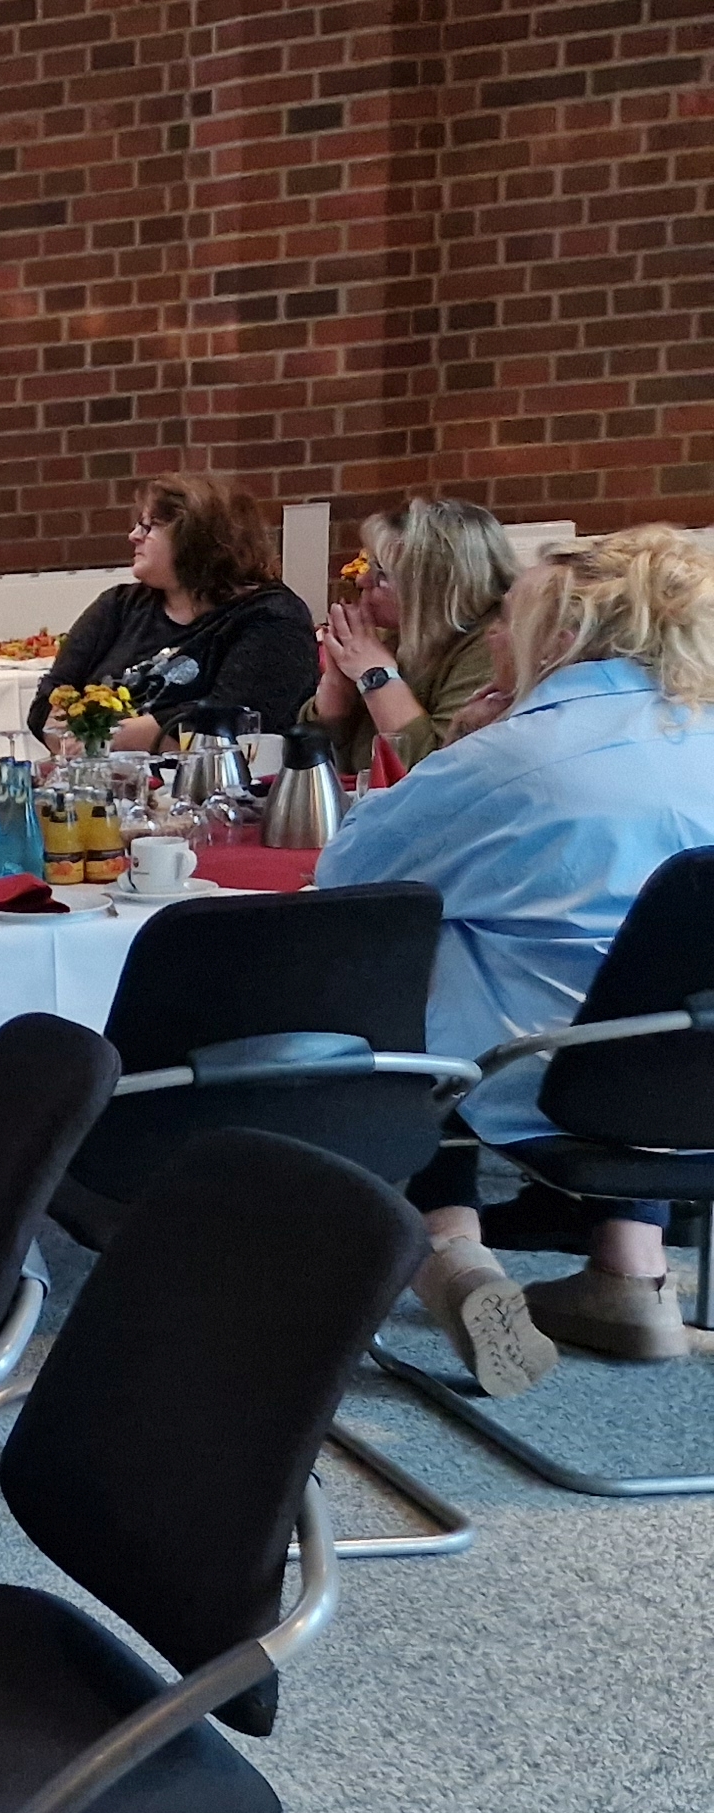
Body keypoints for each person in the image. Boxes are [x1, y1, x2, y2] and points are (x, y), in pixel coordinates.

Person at [318, 525, 714, 1385]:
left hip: (545, 1069)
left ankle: (455, 1251)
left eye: (509, 617)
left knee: (427, 953)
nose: (495, 634)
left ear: (563, 635)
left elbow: (350, 880)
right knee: (651, 984)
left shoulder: (517, 757)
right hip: (686, 1075)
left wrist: (459, 745)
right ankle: (632, 1275)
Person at [28, 475, 320, 749]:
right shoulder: (118, 606)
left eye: (148, 526)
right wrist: (77, 746)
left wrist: (100, 740)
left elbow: (230, 722)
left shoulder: (272, 617)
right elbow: (50, 697)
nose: (133, 536)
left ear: (195, 538)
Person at [307, 497, 521, 778]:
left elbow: (437, 774)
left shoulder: (492, 646)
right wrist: (336, 690)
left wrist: (377, 676)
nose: (361, 580)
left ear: (437, 587)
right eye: (366, 564)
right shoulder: (393, 635)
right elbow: (309, 767)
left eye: (381, 574)